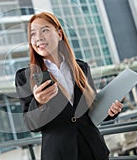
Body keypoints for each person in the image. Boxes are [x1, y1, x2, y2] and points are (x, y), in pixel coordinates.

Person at [15, 11, 123, 160]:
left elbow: (91, 111)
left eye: (44, 30)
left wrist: (110, 111)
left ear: (59, 34)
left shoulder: (81, 68)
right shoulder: (25, 77)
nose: (38, 38)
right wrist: (39, 102)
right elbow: (32, 125)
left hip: (94, 151)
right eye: (32, 34)